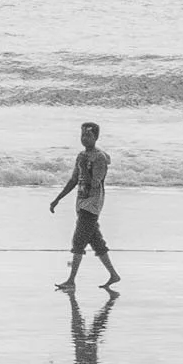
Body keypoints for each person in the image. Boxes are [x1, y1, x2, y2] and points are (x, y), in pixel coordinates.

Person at [49, 121, 122, 289]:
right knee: (96, 242)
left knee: (78, 241)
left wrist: (83, 166)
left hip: (92, 203)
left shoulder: (100, 158)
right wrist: (58, 198)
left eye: (88, 135)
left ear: (96, 137)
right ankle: (114, 275)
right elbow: (74, 180)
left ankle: (71, 280)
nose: (84, 138)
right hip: (82, 202)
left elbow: (95, 184)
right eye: (82, 135)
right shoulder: (81, 155)